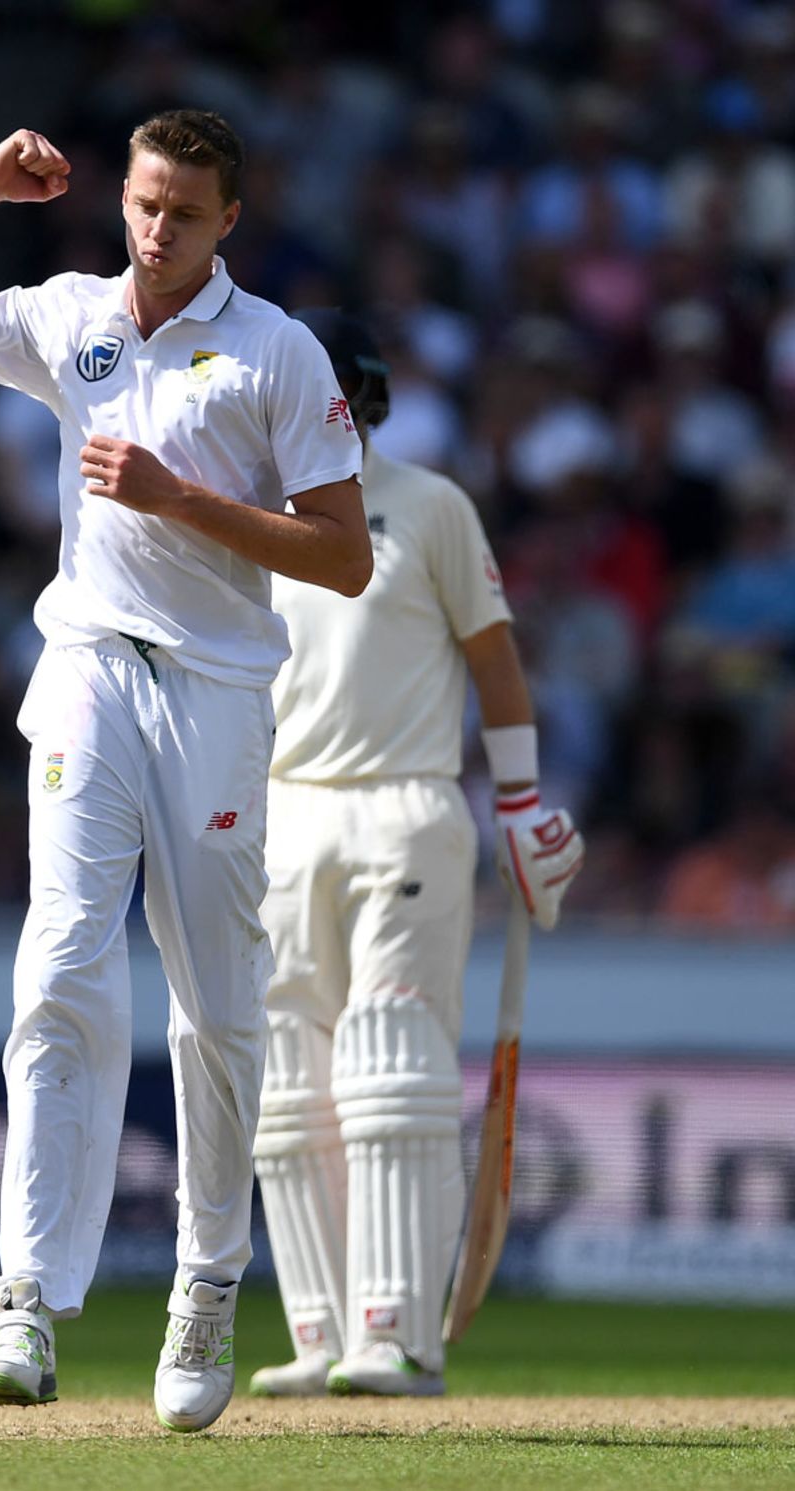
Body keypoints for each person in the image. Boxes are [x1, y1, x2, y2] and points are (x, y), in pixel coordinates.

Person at [0, 111, 371, 1432]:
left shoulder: (277, 352)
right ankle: (23, 1302)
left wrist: (182, 498)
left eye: (186, 211)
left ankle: (205, 1283)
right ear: (119, 198)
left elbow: (344, 555)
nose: (159, 230)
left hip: (224, 690)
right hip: (87, 664)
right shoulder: (68, 313)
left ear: (231, 218)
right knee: (61, 960)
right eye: (143, 204)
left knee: (215, 1006)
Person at [250, 309, 583, 1399]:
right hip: (280, 818)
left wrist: (524, 801)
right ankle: (318, 1333)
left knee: (389, 1068)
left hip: (404, 805)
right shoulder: (250, 516)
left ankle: (394, 1336)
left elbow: (494, 660)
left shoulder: (430, 506)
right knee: (289, 1086)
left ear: (354, 398)